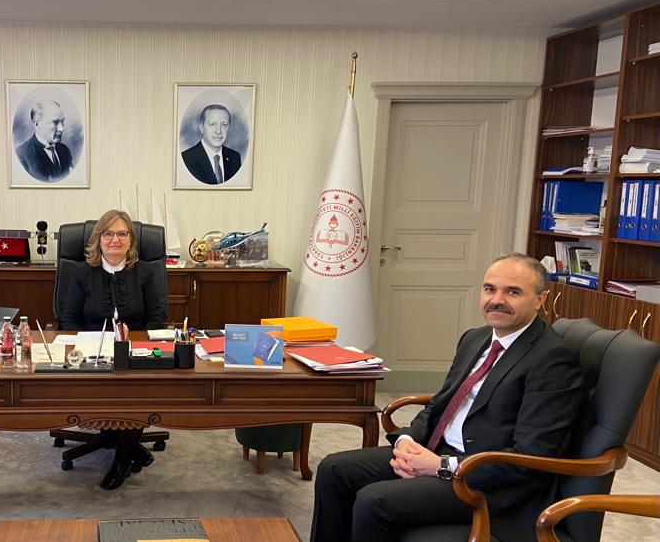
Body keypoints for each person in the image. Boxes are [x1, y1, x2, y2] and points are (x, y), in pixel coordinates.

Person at [310, 253, 584, 542]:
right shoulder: (475, 339)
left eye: (513, 292)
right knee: (333, 470)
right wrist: (407, 442)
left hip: (489, 483)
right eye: (489, 289)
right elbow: (439, 405)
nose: (497, 300)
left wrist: (440, 466)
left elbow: (530, 456)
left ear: (540, 299)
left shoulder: (552, 359)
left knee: (373, 500)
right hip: (440, 453)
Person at [60, 209, 167, 489]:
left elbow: (156, 318)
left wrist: (138, 344)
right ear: (98, 239)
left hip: (133, 352)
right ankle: (132, 449)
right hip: (92, 353)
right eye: (108, 234)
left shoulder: (144, 272)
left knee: (134, 392)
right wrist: (85, 346)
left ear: (131, 240)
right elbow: (68, 320)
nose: (115, 240)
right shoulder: (82, 273)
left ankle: (122, 458)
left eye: (122, 234)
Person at [180, 104, 242, 185]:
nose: (218, 131)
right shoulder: (186, 159)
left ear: (228, 127)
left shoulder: (235, 157)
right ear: (201, 127)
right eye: (212, 124)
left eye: (224, 124)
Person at [15, 100, 73, 182]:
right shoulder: (21, 155)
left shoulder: (65, 150)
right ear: (37, 124)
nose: (61, 129)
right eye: (55, 122)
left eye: (62, 121)